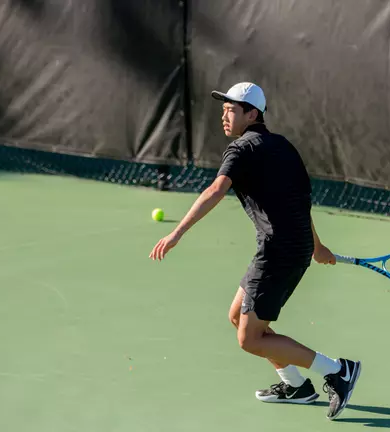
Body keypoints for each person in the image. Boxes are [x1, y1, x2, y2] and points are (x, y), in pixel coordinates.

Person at [149, 82, 361, 420]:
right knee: (237, 317)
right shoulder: (284, 147)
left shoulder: (240, 150)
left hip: (279, 251)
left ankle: (338, 370)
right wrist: (316, 245)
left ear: (252, 114)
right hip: (291, 246)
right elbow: (300, 202)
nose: (224, 115)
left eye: (232, 109)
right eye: (223, 109)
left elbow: (217, 189)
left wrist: (177, 232)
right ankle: (296, 387)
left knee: (249, 338)